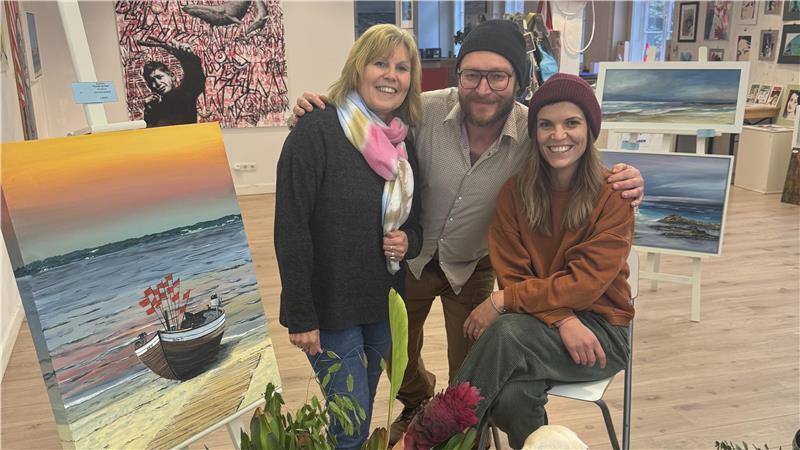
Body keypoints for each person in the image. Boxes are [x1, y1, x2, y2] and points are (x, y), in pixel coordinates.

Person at [291, 20, 644, 444]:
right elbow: (369, 110)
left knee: (478, 364)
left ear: (518, 79)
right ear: (458, 76)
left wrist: (630, 177)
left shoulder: (535, 131)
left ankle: (440, 437)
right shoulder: (424, 110)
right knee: (394, 353)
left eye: (498, 76)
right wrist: (325, 107)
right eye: (472, 74)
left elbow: (573, 144)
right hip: (412, 255)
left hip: (473, 265)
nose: (483, 87)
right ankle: (423, 407)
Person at [453, 73, 635, 448]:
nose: (558, 135)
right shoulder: (514, 194)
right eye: (546, 125)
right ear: (534, 133)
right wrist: (561, 318)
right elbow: (512, 273)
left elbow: (584, 284)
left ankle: (438, 437)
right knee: (511, 397)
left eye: (572, 122)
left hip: (602, 332)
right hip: (539, 323)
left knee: (504, 333)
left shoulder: (612, 196)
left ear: (590, 129)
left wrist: (503, 301)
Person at [274, 24, 423, 449]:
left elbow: (418, 217)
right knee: (352, 420)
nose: (390, 75)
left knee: (363, 401)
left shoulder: (401, 142)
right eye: (380, 63)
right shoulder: (316, 130)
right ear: (358, 68)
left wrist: (409, 240)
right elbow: (290, 228)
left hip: (381, 300)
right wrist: (301, 314)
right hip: (329, 306)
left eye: (402, 66)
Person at [138, 38, 206, 128]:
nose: (157, 83)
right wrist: (149, 113)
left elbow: (195, 77)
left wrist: (185, 56)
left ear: (172, 76)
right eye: (152, 81)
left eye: (159, 77)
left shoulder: (185, 95)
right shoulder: (155, 107)